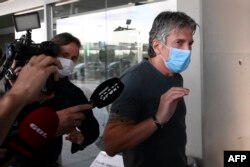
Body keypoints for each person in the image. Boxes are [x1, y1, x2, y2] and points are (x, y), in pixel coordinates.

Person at [103, 11, 198, 167]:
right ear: (157, 46)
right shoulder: (133, 80)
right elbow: (111, 145)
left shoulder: (175, 76)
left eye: (190, 43)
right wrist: (157, 120)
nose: (187, 50)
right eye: (179, 42)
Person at [1, 33, 99, 167]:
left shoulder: (73, 93)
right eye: (65, 55)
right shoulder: (23, 80)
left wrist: (82, 138)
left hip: (47, 160)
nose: (69, 61)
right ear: (51, 52)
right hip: (11, 159)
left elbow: (92, 128)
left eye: (74, 58)